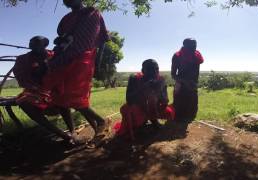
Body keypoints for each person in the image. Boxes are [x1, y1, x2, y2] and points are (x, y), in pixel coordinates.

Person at [43, 0, 110, 137]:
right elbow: (62, 36)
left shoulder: (93, 13)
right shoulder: (66, 19)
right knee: (58, 96)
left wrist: (98, 62)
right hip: (62, 59)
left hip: (83, 59)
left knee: (75, 96)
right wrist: (61, 41)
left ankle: (100, 121)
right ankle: (73, 132)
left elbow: (102, 39)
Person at [13, 36, 79, 144]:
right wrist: (35, 80)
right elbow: (21, 77)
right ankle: (62, 134)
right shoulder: (22, 59)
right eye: (31, 42)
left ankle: (73, 132)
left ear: (45, 45)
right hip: (35, 90)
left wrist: (48, 69)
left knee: (62, 95)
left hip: (55, 88)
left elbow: (65, 71)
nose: (32, 44)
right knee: (24, 101)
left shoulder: (54, 56)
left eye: (36, 42)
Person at [113, 59, 175, 140]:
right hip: (139, 107)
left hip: (153, 107)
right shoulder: (134, 78)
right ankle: (141, 123)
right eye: (150, 70)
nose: (154, 72)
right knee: (126, 109)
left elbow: (165, 101)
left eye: (156, 69)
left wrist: (160, 90)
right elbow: (129, 100)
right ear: (143, 71)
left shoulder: (160, 80)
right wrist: (143, 88)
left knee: (169, 112)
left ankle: (153, 120)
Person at [171, 38, 204, 122]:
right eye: (192, 45)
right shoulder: (177, 56)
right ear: (185, 46)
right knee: (179, 112)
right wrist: (185, 82)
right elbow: (173, 74)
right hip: (181, 86)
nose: (194, 47)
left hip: (192, 86)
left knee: (192, 113)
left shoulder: (196, 55)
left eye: (195, 45)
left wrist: (193, 83)